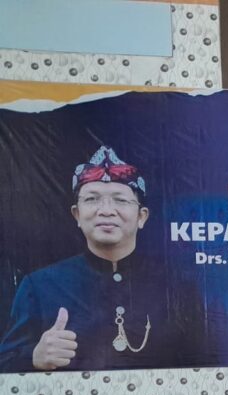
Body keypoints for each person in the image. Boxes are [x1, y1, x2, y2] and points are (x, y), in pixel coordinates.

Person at [0, 145, 193, 372]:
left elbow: (206, 359)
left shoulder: (176, 286)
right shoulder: (40, 286)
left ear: (141, 217)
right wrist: (34, 357)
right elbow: (5, 361)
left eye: (120, 200)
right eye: (92, 199)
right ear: (77, 214)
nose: (106, 210)